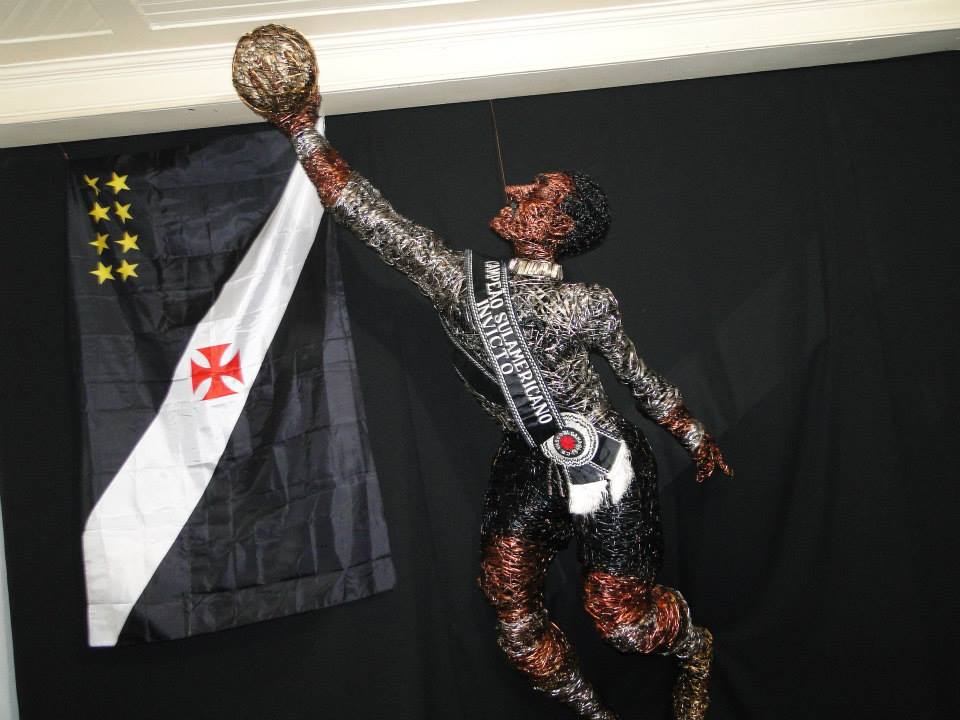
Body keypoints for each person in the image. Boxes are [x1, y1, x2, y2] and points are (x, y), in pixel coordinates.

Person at [233, 25, 733, 720]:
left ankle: (694, 647)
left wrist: (694, 433)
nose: (517, 187)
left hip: (605, 460)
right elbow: (369, 218)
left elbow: (639, 378)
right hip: (526, 457)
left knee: (621, 622)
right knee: (507, 596)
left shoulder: (588, 303)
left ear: (560, 227)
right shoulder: (461, 284)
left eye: (540, 190)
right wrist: (301, 132)